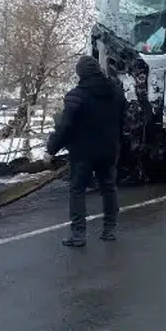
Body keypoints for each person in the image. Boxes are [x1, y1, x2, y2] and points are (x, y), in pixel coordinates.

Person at [46, 55, 127, 246]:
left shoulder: (76, 96)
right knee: (108, 188)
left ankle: (78, 235)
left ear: (80, 73)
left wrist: (51, 149)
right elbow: (122, 120)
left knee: (77, 190)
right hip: (109, 150)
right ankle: (109, 230)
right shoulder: (116, 93)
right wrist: (117, 143)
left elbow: (65, 126)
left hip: (83, 153)